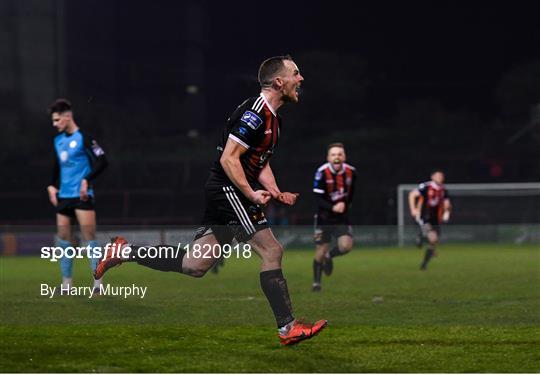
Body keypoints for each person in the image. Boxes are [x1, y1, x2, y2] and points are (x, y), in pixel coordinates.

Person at [94, 56, 327, 345]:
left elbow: (260, 162)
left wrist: (276, 191)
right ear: (279, 81)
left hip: (227, 191)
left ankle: (124, 251)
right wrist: (251, 193)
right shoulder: (254, 113)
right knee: (272, 250)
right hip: (228, 190)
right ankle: (287, 327)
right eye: (296, 73)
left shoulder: (274, 119)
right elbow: (229, 158)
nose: (300, 79)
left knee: (195, 265)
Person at [47, 98, 108, 293]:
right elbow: (57, 167)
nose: (54, 124)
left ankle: (98, 284)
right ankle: (67, 284)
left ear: (68, 116)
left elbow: (102, 161)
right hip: (64, 196)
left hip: (82, 196)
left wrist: (86, 180)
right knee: (64, 239)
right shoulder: (58, 141)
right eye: (53, 120)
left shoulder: (85, 138)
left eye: (57, 120)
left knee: (89, 236)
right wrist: (51, 185)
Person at [312, 143, 356, 291]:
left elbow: (351, 194)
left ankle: (330, 256)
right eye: (333, 154)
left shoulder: (351, 172)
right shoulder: (322, 172)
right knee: (320, 250)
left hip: (341, 218)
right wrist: (333, 207)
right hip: (324, 218)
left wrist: (345, 206)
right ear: (328, 158)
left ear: (344, 157)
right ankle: (316, 283)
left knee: (346, 246)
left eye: (339, 154)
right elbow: (317, 198)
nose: (337, 157)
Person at [408, 170, 452, 270]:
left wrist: (447, 212)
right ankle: (421, 238)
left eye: (441, 176)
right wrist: (413, 209)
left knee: (434, 242)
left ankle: (424, 263)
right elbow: (412, 195)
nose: (440, 177)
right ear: (432, 177)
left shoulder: (443, 190)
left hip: (436, 218)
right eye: (438, 176)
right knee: (432, 238)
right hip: (424, 216)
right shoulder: (426, 186)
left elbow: (447, 204)